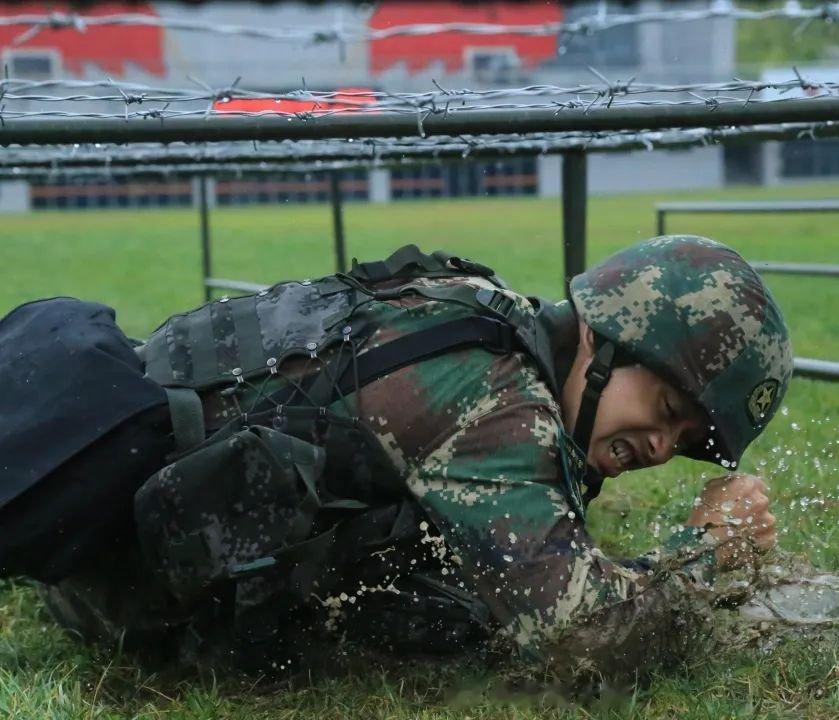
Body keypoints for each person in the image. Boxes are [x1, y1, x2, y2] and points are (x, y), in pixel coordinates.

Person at [0, 235, 792, 681]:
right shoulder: (496, 408)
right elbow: (587, 641)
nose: (661, 448)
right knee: (472, 628)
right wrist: (709, 552)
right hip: (127, 598)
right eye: (666, 409)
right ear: (606, 335)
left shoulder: (474, 305)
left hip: (119, 541)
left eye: (687, 443)